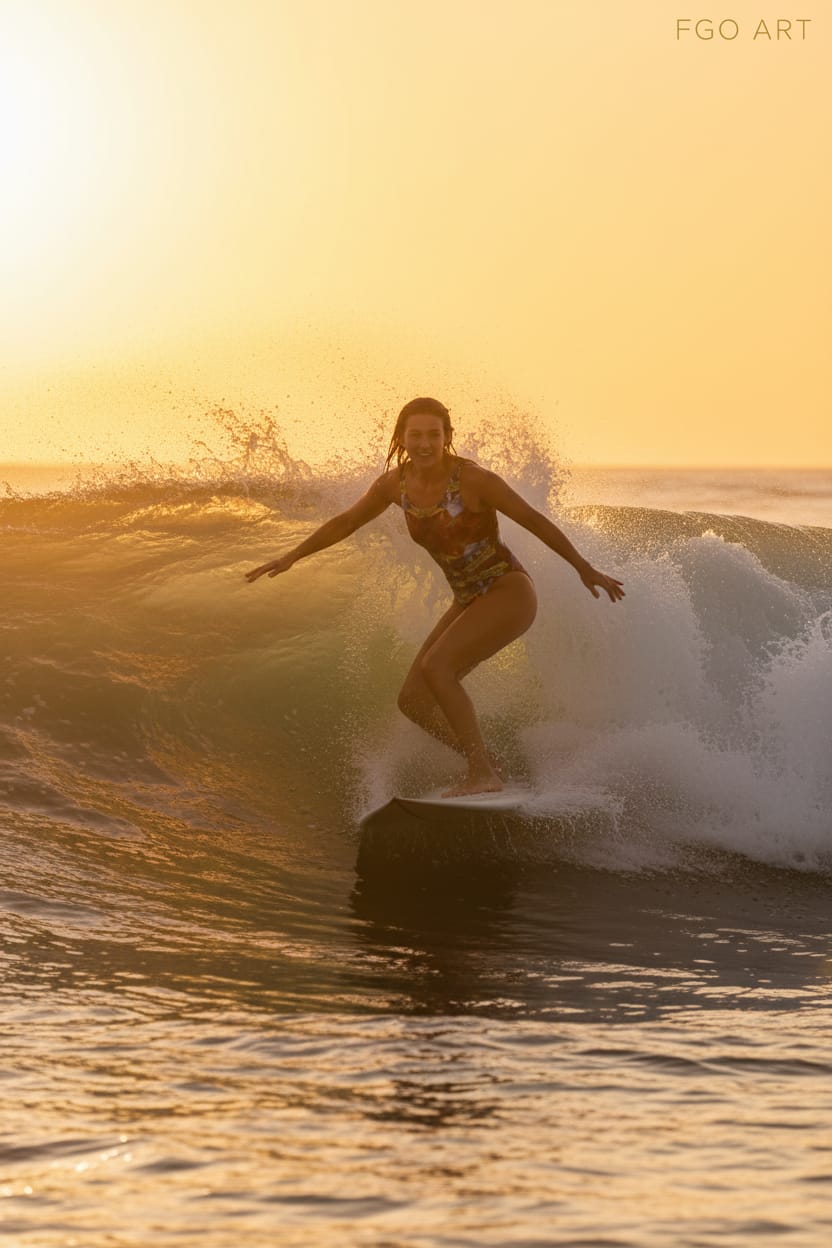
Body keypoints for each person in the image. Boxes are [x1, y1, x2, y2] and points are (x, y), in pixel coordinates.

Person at [245, 397, 624, 797]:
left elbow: (532, 519)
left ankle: (482, 773)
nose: (424, 443)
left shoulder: (475, 480)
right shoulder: (395, 485)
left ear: (446, 437)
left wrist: (583, 567)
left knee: (438, 667)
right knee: (413, 701)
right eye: (415, 435)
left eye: (433, 434)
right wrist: (293, 555)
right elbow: (348, 521)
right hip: (468, 599)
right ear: (402, 438)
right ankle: (487, 762)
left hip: (507, 591)